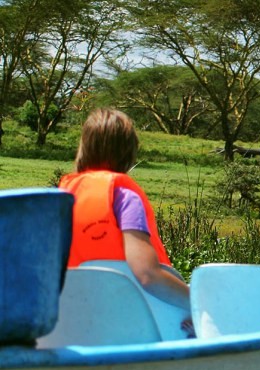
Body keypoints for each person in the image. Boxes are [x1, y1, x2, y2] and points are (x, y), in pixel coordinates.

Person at [59, 108, 192, 334]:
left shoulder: (60, 199)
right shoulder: (125, 198)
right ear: (129, 152)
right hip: (130, 324)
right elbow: (147, 275)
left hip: (75, 322)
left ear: (83, 148)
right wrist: (198, 303)